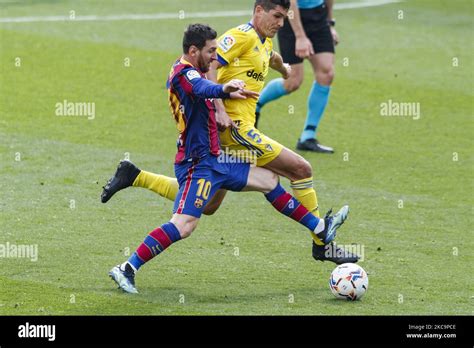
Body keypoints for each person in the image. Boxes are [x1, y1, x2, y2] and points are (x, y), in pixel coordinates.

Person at [103, 0, 359, 265]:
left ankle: (136, 176)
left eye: (284, 18)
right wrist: (220, 110)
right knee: (300, 169)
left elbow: (269, 56)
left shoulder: (263, 40)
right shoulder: (240, 36)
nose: (281, 24)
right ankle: (322, 241)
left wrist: (283, 69)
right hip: (234, 128)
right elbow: (212, 64)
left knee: (209, 203)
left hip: (233, 132)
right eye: (277, 16)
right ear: (258, 11)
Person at [255, 0, 338, 153]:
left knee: (327, 73)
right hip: (290, 17)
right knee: (292, 81)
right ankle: (256, 104)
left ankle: (308, 136)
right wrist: (300, 37)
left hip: (318, 16)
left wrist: (330, 23)